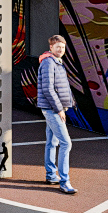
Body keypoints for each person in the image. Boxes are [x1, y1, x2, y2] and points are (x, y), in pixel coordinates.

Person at [35, 35, 77, 195]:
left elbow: (63, 86)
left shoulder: (57, 62)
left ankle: (51, 175)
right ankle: (65, 182)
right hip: (52, 109)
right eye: (58, 47)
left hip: (55, 108)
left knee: (52, 142)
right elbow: (48, 88)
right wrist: (59, 109)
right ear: (51, 48)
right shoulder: (48, 63)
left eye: (63, 47)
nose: (61, 50)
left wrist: (67, 104)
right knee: (66, 143)